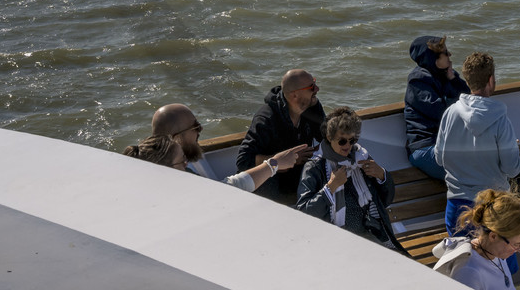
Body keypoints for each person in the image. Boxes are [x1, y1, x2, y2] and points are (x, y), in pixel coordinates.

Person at [435, 51, 520, 235]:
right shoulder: (501, 120)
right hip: (493, 209)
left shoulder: (450, 113)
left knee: (462, 261)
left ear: (467, 81)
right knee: (500, 262)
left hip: (457, 208)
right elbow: (512, 169)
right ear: (491, 80)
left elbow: (439, 159)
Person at [131, 103, 310, 192]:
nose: (201, 130)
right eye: (195, 127)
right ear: (176, 138)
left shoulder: (172, 164)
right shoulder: (174, 174)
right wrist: (274, 164)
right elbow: (226, 191)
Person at [296, 106, 398, 249]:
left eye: (352, 140)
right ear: (329, 137)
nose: (348, 146)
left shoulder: (360, 158)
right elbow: (303, 213)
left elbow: (385, 201)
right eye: (342, 141)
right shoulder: (315, 167)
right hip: (333, 241)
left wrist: (382, 175)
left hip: (370, 233)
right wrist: (330, 187)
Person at [237, 69, 325, 203]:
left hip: (300, 178)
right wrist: (281, 161)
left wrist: (318, 151)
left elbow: (327, 136)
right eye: (312, 87)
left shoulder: (312, 107)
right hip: (273, 184)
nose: (317, 89)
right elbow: (243, 160)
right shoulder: (267, 119)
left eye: (314, 83)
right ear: (295, 95)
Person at [404, 35, 469, 180]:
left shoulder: (447, 75)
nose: (449, 55)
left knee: (488, 162)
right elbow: (443, 113)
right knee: (470, 172)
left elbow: (469, 100)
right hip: (426, 146)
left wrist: (454, 79)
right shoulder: (418, 80)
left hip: (449, 145)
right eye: (445, 53)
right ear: (432, 58)